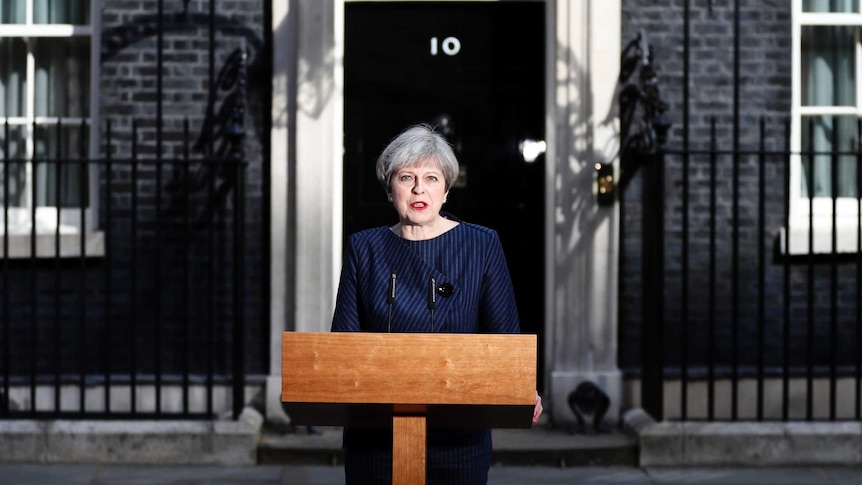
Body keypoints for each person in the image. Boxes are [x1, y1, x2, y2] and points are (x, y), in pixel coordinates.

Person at [331, 124, 543, 484]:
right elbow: (344, 344)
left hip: (459, 434)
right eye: (406, 177)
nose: (419, 188)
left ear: (446, 190)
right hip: (377, 436)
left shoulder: (482, 245)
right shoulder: (363, 248)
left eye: (431, 177)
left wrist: (520, 383)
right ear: (389, 189)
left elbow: (504, 338)